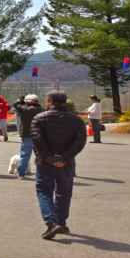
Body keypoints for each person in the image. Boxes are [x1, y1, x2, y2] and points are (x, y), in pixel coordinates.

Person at [32, 92, 87, 240]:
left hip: (44, 162)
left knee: (44, 190)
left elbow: (38, 140)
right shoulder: (76, 120)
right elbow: (80, 142)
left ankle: (51, 222)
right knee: (64, 192)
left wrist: (49, 158)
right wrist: (65, 157)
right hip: (66, 163)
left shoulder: (39, 119)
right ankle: (61, 222)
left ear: (49, 101)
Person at [13, 94, 44, 179]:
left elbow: (16, 105)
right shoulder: (41, 110)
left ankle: (21, 174)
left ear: (27, 102)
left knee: (25, 155)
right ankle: (40, 174)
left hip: (27, 135)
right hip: (39, 135)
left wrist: (20, 101)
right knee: (40, 155)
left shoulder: (24, 109)